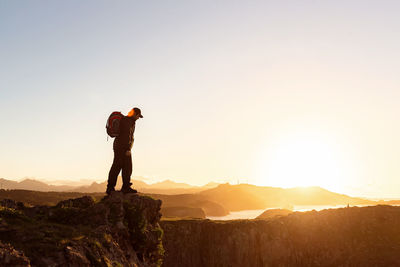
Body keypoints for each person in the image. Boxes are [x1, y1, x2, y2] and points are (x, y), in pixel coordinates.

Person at [107, 107, 143, 195]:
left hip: (120, 146)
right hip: (122, 148)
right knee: (121, 167)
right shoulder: (128, 121)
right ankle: (116, 188)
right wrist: (127, 149)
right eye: (138, 116)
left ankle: (119, 187)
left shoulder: (128, 120)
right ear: (135, 114)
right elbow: (127, 135)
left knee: (122, 167)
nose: (138, 118)